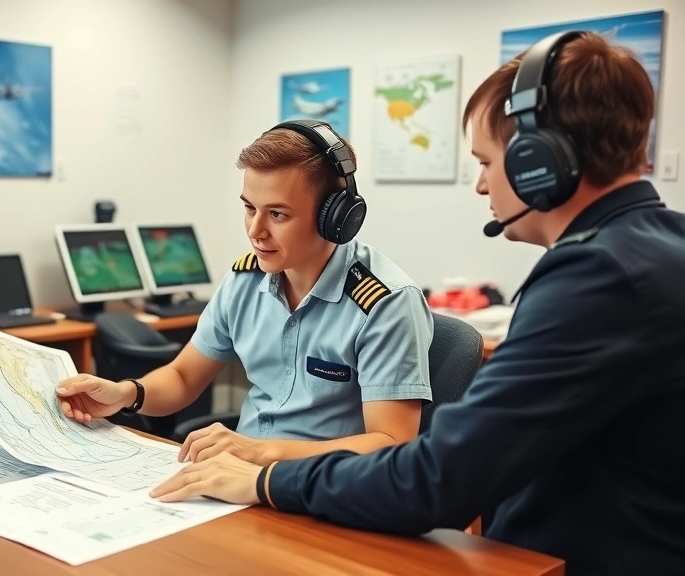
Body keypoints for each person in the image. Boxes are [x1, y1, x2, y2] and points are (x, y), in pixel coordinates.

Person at [148, 30, 685, 575]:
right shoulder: (661, 247)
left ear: (537, 162)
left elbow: (438, 479)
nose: (480, 185)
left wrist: (264, 476)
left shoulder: (597, 278)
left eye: (486, 161)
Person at [56, 119, 434, 467]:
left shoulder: (386, 303)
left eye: (278, 214)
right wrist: (124, 394)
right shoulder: (244, 281)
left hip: (325, 489)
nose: (255, 230)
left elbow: (390, 444)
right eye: (249, 208)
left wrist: (260, 451)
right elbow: (184, 378)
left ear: (334, 217)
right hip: (242, 478)